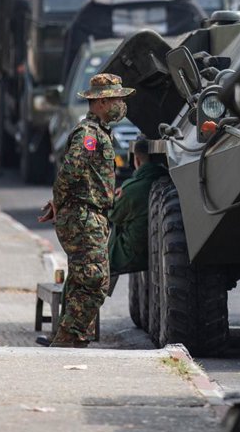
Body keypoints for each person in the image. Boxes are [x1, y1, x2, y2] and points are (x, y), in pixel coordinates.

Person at [37, 73, 134, 348]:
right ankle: (67, 338)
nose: (121, 105)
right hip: (83, 216)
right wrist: (58, 202)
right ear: (101, 102)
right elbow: (70, 170)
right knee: (95, 280)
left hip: (90, 215)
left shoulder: (99, 132)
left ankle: (74, 338)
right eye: (116, 99)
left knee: (82, 279)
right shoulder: (89, 135)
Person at [108, 139, 169, 276]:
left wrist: (117, 197)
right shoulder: (169, 181)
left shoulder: (131, 189)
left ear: (136, 159)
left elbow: (113, 215)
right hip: (163, 253)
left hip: (134, 255)